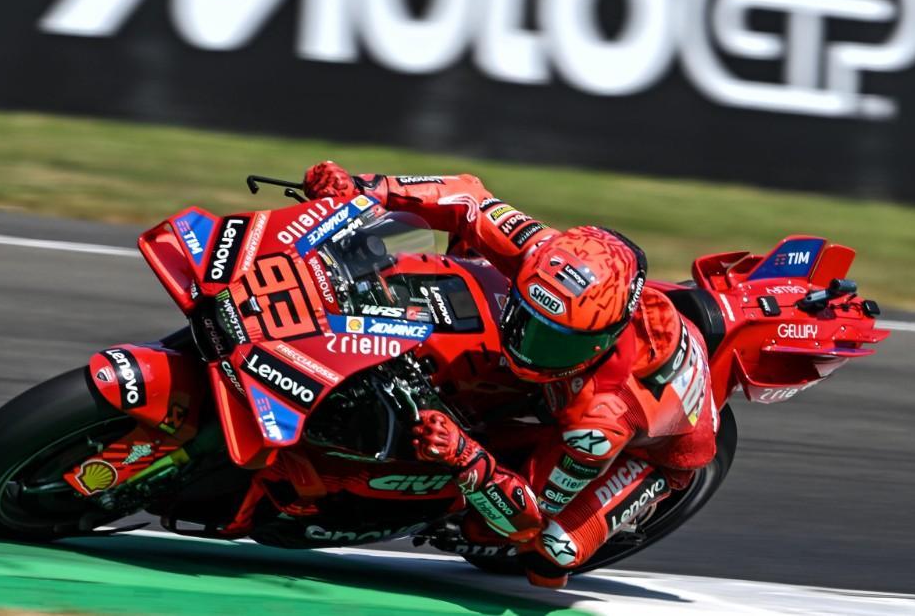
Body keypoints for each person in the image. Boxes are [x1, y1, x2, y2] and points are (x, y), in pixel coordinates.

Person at [303, 162, 719, 588]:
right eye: (528, 320)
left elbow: (532, 513)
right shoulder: (542, 255)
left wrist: (465, 455)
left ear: (602, 340)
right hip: (602, 360)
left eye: (557, 341)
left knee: (551, 552)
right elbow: (467, 197)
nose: (531, 346)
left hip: (657, 450)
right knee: (462, 254)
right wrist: (364, 189)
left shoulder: (599, 424)